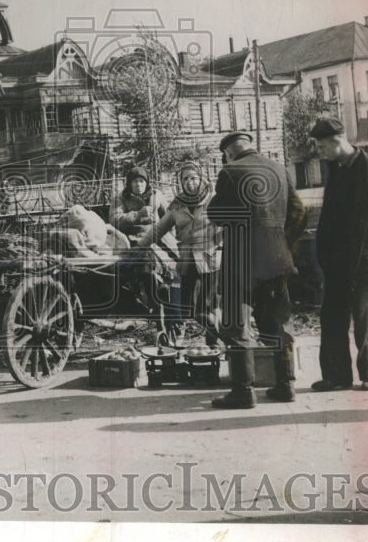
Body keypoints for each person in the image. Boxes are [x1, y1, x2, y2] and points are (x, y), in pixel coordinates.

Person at [207, 132, 307, 408]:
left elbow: (215, 214)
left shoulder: (230, 171)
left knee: (237, 324)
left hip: (241, 260)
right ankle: (286, 385)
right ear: (250, 146)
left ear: (228, 152)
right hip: (277, 258)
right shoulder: (279, 169)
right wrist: (282, 243)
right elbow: (299, 212)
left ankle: (243, 391)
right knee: (279, 322)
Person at [308, 117, 368, 392]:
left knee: (367, 318)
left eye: (321, 146)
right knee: (332, 318)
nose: (318, 152)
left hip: (366, 262)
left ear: (337, 141)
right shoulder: (336, 168)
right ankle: (336, 377)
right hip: (336, 262)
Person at [138, 161, 222, 344]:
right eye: (185, 179)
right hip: (185, 260)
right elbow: (159, 228)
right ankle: (178, 341)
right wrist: (140, 246)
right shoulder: (177, 205)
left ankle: (214, 342)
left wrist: (219, 241)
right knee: (182, 305)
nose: (190, 182)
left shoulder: (213, 200)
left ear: (201, 178)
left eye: (193, 178)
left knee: (208, 306)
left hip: (210, 258)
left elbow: (229, 224)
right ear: (180, 182)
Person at [111, 165, 167, 244]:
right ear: (130, 184)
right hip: (135, 237)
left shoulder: (156, 194)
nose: (138, 184)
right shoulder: (121, 198)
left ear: (146, 183)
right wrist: (138, 214)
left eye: (141, 181)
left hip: (158, 234)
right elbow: (114, 220)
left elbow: (170, 215)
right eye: (135, 181)